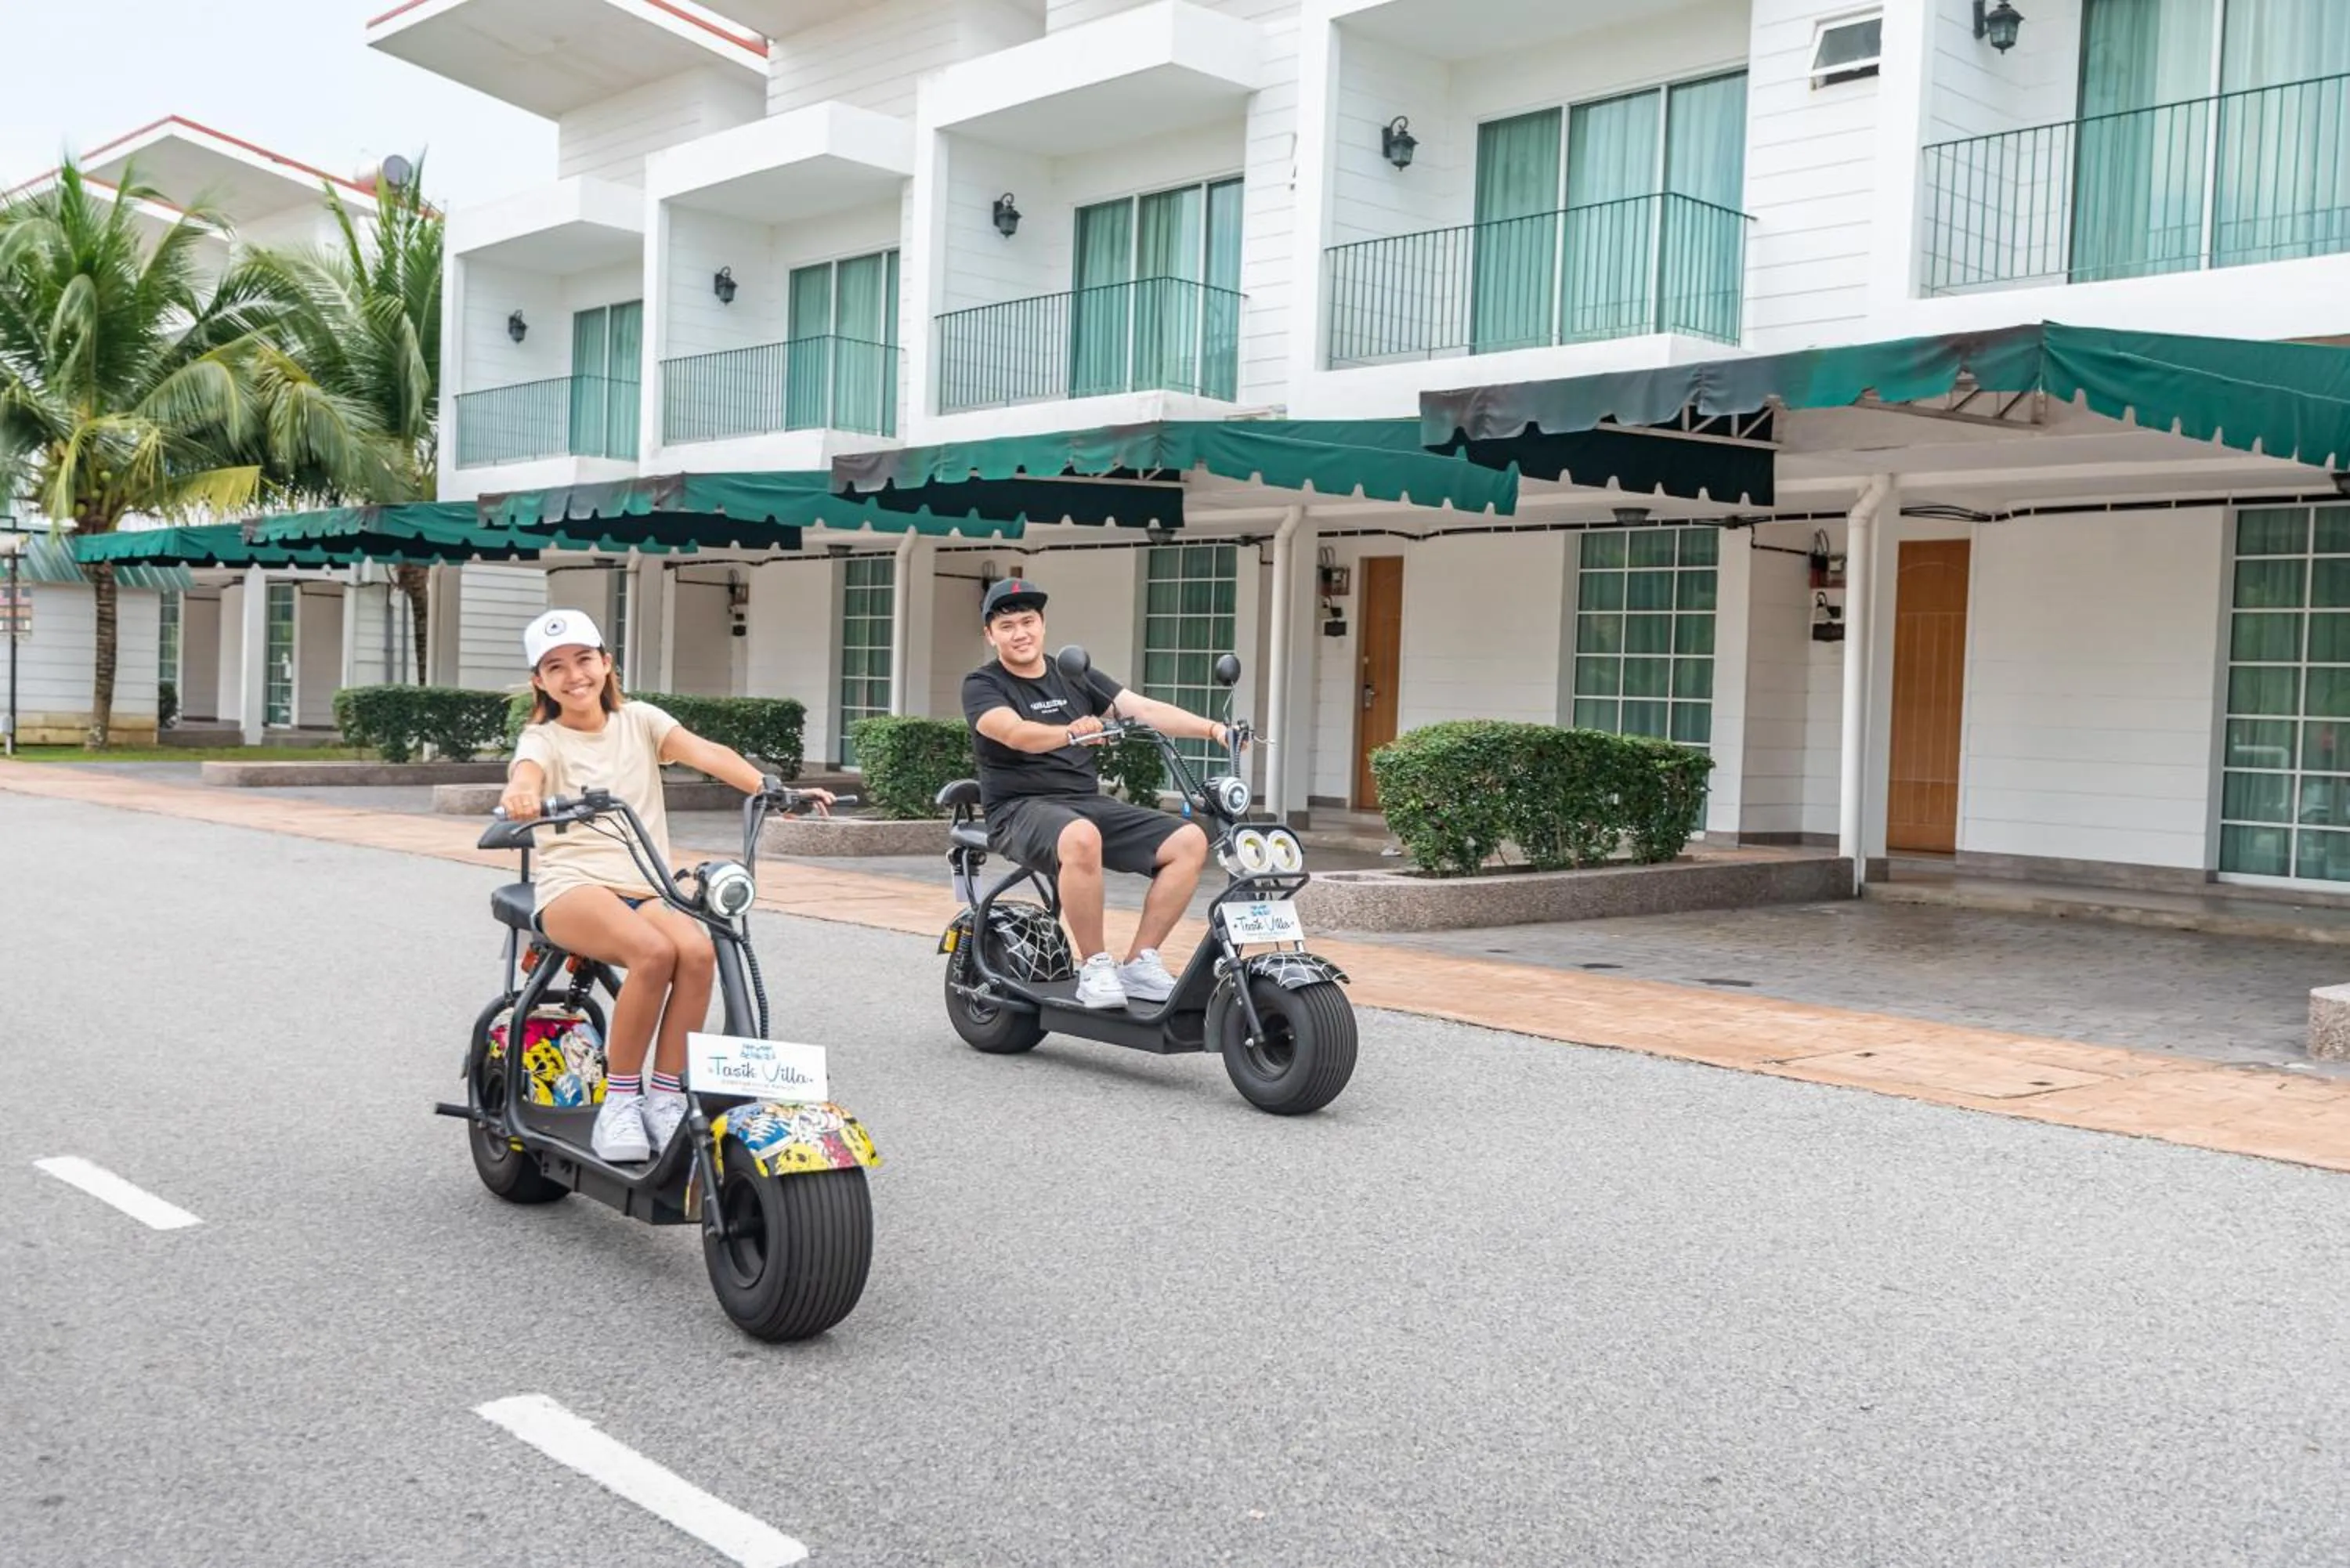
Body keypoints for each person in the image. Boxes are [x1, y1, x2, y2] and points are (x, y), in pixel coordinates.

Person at [499, 609, 831, 1163]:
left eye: (584, 659)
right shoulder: (544, 738)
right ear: (540, 681)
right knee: (652, 954)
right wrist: (521, 795)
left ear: (607, 663)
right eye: (556, 667)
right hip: (574, 886)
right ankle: (620, 1103)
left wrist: (771, 788)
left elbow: (707, 753)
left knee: (697, 953)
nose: (574, 675)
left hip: (645, 884)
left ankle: (666, 1095)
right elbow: (526, 771)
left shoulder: (641, 721)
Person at [960, 576, 1238, 1010]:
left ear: (1042, 624)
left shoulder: (1071, 673)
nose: (1020, 634)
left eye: (1028, 622)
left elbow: (1142, 709)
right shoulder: (983, 684)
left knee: (1189, 840)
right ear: (990, 635)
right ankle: (1095, 966)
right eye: (1007, 626)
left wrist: (1215, 730)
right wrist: (1069, 732)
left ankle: (1139, 963)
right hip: (1018, 809)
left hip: (1084, 804)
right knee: (1081, 835)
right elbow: (1015, 733)